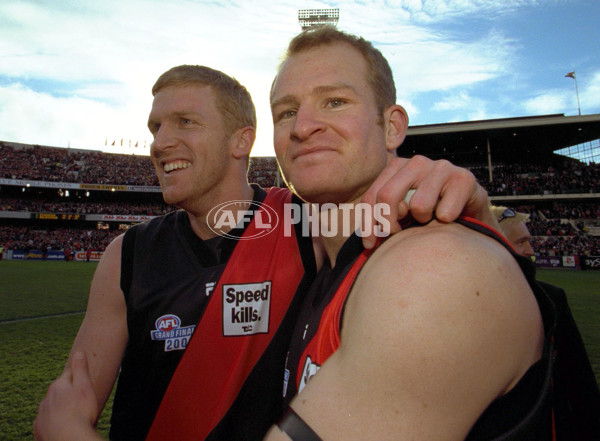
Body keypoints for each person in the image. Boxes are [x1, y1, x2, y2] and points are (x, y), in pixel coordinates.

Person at [34, 65, 492, 441]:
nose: (159, 142)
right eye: (155, 127)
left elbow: (420, 233)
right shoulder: (126, 254)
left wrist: (466, 198)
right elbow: (66, 408)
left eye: (185, 122)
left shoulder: (307, 221)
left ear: (241, 141)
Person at [264, 26, 558, 440]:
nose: (304, 126)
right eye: (286, 112)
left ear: (392, 127)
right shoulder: (325, 258)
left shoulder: (433, 265)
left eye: (334, 101)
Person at [491, 205, 600, 440]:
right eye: (521, 242)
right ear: (494, 244)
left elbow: (581, 386)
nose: (530, 250)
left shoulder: (551, 299)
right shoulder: (461, 309)